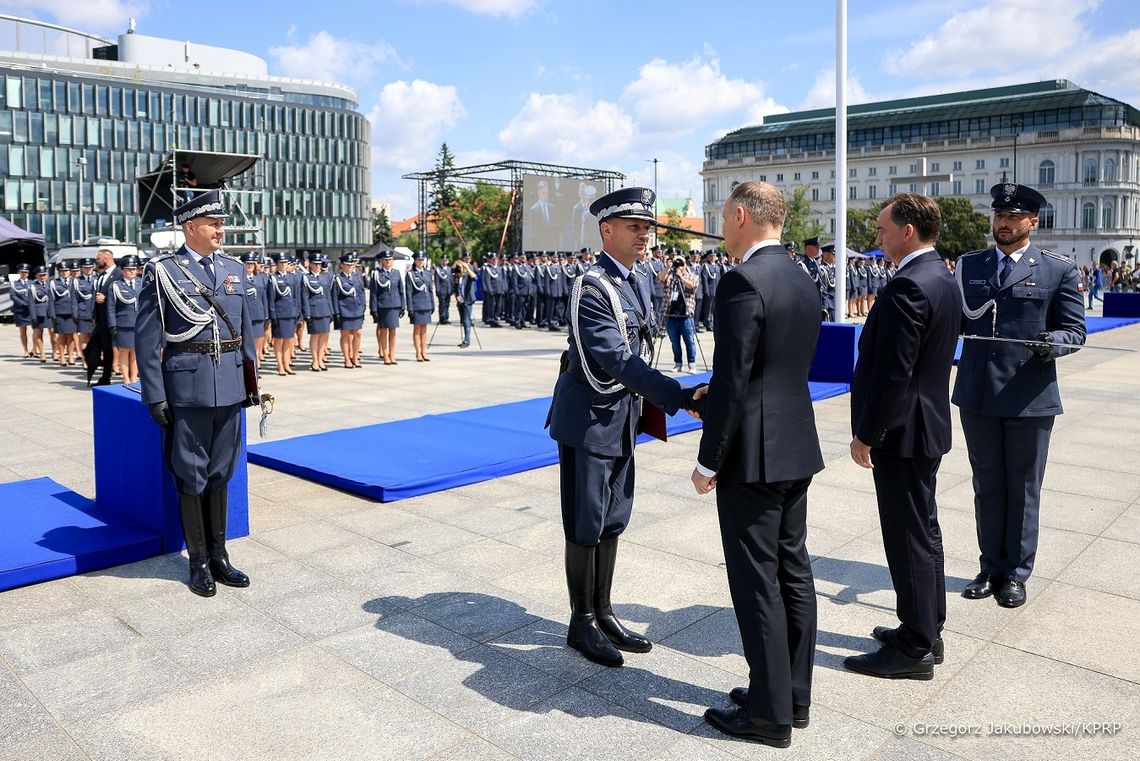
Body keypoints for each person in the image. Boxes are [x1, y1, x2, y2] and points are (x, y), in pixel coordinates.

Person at [546, 186, 704, 669]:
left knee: (613, 516)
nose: (645, 234)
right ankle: (581, 622)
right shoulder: (592, 285)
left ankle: (604, 611)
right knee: (585, 518)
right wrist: (677, 395)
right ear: (607, 230)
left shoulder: (635, 280)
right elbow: (614, 357)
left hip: (621, 416)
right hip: (589, 417)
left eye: (647, 227)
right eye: (635, 227)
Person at [690, 181, 823, 749]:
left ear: (742, 215)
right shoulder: (799, 273)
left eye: (724, 217)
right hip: (795, 442)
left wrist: (707, 458)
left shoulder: (742, 280)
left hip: (753, 455)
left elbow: (735, 378)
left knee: (756, 583)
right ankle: (791, 694)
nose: (723, 227)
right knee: (793, 572)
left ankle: (768, 715)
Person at [845, 193, 962, 682]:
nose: (878, 237)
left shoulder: (909, 286)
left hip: (903, 432)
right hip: (925, 425)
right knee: (924, 531)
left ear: (908, 230)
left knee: (907, 536)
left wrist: (866, 435)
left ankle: (915, 647)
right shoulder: (941, 276)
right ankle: (925, 626)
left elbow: (894, 374)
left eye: (883, 229)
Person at [952, 183, 1086, 609]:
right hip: (978, 394)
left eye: (1012, 217)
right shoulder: (969, 266)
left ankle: (1016, 573)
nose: (1003, 224)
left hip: (1030, 396)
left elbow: (1075, 330)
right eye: (998, 216)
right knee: (987, 485)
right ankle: (990, 566)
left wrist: (1054, 342)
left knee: (1024, 488)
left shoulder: (1056, 270)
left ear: (1032, 222)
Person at [135, 190, 255, 598]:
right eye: (213, 223)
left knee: (222, 471)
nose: (221, 229)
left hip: (230, 387)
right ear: (191, 227)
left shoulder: (234, 268)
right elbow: (148, 338)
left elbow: (245, 332)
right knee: (191, 473)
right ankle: (199, 561)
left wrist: (250, 384)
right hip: (187, 386)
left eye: (221, 223)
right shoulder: (165, 271)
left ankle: (220, 556)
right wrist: (155, 394)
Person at [657, 254, 699, 373]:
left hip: (686, 315)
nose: (678, 266)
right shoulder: (669, 275)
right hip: (671, 314)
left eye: (680, 264)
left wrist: (681, 277)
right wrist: (667, 267)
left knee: (689, 341)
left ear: (685, 265)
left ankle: (692, 365)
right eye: (677, 263)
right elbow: (660, 279)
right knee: (675, 342)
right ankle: (678, 364)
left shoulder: (692, 275)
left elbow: (692, 285)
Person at [105, 256, 142, 383]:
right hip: (123, 324)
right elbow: (110, 307)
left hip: (139, 323)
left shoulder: (142, 283)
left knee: (136, 352)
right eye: (128, 269)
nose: (132, 271)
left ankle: (134, 377)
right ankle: (126, 377)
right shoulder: (115, 285)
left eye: (134, 269)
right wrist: (112, 325)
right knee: (124, 352)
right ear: (122, 270)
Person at [369, 250, 405, 364]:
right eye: (386, 260)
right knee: (383, 331)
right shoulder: (377, 274)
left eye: (390, 260)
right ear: (382, 262)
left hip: (394, 305)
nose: (389, 262)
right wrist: (373, 309)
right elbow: (373, 293)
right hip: (383, 306)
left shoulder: (396, 273)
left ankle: (392, 354)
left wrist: (402, 306)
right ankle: (385, 354)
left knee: (393, 331)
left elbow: (401, 291)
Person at [267, 253, 300, 375]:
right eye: (281, 263)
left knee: (288, 340)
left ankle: (287, 364)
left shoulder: (292, 278)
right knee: (279, 341)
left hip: (290, 313)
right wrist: (273, 314)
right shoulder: (273, 278)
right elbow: (271, 298)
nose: (283, 265)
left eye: (285, 263)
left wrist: (297, 311)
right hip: (280, 313)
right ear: (276, 264)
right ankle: (280, 365)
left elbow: (296, 297)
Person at [332, 252, 366, 367]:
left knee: (358, 333)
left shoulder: (357, 277)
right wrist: (336, 312)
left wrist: (362, 307)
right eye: (348, 265)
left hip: (356, 310)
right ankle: (347, 358)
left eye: (352, 265)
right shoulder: (337, 279)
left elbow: (361, 293)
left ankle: (355, 357)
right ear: (342, 265)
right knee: (345, 335)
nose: (350, 267)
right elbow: (335, 297)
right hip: (344, 310)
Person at [300, 254, 334, 372]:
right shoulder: (306, 278)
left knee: (324, 336)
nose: (318, 266)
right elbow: (304, 297)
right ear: (310, 265)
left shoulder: (325, 277)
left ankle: (320, 359)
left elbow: (329, 296)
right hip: (314, 310)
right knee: (315, 336)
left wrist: (331, 311)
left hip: (325, 310)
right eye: (315, 264)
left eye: (319, 264)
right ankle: (314, 360)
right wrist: (307, 313)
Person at [405, 251, 435, 361]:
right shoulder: (411, 274)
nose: (421, 262)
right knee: (417, 329)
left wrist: (432, 304)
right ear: (415, 261)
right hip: (416, 304)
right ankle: (418, 353)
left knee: (425, 329)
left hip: (426, 304)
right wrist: (410, 308)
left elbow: (431, 290)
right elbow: (408, 292)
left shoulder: (427, 273)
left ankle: (424, 352)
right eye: (419, 260)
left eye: (422, 260)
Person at [48, 263, 79, 366]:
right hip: (60, 313)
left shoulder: (74, 282)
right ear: (59, 272)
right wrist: (52, 314)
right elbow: (51, 300)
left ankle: (70, 356)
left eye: (66, 270)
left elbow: (75, 299)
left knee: (70, 336)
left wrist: (75, 313)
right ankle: (62, 356)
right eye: (62, 271)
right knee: (61, 336)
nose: (65, 273)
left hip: (71, 313)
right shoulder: (54, 283)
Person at [242, 253, 269, 364]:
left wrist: (266, 314)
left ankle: (257, 362)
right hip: (247, 315)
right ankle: (250, 363)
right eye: (248, 264)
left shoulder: (260, 279)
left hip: (259, 313)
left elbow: (264, 298)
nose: (250, 266)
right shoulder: (240, 279)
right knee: (248, 341)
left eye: (252, 264)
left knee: (259, 339)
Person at [73, 259, 97, 362]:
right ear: (81, 268)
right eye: (86, 267)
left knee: (94, 339)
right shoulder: (77, 281)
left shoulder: (97, 279)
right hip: (83, 313)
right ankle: (85, 360)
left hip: (95, 313)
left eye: (90, 267)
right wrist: (75, 314)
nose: (88, 269)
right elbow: (74, 299)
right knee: (84, 339)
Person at [454, 252, 477, 348]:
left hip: (468, 300)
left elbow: (474, 276)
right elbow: (456, 287)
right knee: (463, 320)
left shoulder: (468, 274)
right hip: (461, 300)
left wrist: (466, 267)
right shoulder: (457, 276)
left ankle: (467, 340)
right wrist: (457, 296)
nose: (460, 268)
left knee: (467, 321)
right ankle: (465, 338)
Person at [27, 266, 51, 362]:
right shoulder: (33, 287)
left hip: (49, 313)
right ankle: (42, 353)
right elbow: (31, 303)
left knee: (53, 333)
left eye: (44, 275)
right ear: (36, 276)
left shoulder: (51, 285)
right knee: (38, 333)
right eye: (40, 275)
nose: (42, 277)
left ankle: (55, 352)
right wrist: (33, 317)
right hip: (38, 314)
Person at [10, 263, 33, 357]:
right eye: (22, 272)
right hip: (20, 310)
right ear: (18, 272)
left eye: (26, 272)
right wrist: (24, 304)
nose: (24, 273)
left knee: (36, 331)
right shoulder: (14, 283)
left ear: (28, 273)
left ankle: (34, 349)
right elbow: (13, 296)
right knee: (22, 331)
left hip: (32, 310)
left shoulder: (33, 283)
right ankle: (25, 350)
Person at [433, 254, 453, 324]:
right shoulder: (438, 269)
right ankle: (442, 318)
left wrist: (452, 289)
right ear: (441, 261)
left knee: (447, 305)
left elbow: (451, 280)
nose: (445, 262)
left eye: (446, 260)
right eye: (443, 260)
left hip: (448, 290)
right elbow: (437, 281)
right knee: (442, 305)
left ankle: (446, 318)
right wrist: (437, 290)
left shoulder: (449, 269)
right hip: (442, 290)